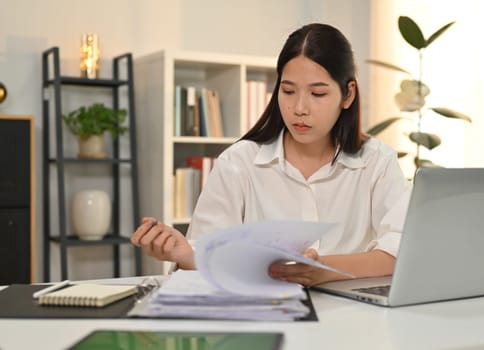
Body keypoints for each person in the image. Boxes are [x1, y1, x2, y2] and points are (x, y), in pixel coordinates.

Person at [131, 23, 411, 287]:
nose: (299, 108)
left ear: (348, 95)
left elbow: (401, 252)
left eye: (318, 93)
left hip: (355, 322)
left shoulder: (377, 162)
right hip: (263, 317)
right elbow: (210, 257)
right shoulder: (238, 163)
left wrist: (322, 269)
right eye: (288, 91)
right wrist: (184, 253)